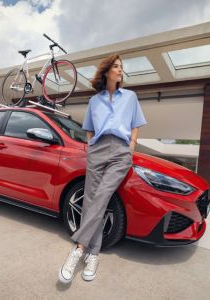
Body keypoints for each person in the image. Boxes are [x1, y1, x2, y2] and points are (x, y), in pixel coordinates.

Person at [58, 54, 147, 283]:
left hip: (120, 151)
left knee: (102, 196)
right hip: (97, 150)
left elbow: (136, 124)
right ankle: (93, 255)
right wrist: (92, 145)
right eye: (117, 67)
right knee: (91, 200)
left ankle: (78, 249)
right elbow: (88, 128)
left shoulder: (130, 97)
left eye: (122, 67)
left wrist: (131, 147)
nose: (120, 70)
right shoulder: (94, 101)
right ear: (107, 72)